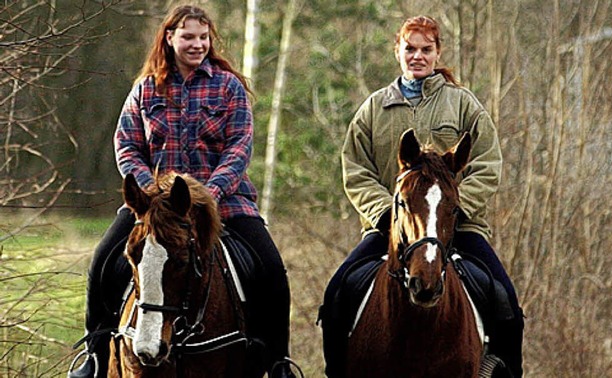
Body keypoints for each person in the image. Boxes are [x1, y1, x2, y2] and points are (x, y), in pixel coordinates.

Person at [68, 5, 296, 378]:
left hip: (224, 203)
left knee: (270, 268)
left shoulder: (229, 87)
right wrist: (150, 193)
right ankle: (93, 355)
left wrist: (208, 193)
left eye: (203, 37)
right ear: (169, 38)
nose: (197, 44)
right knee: (102, 261)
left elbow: (239, 147)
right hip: (153, 207)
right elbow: (126, 144)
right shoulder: (145, 89)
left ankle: (278, 361)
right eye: (188, 37)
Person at [319, 15, 524, 377]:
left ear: (437, 52)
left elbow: (488, 164)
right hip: (391, 229)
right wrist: (387, 213)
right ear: (397, 52)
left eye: (425, 50)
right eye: (409, 49)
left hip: (457, 227)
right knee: (337, 293)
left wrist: (452, 211)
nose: (417, 56)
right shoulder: (373, 109)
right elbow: (354, 168)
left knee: (505, 300)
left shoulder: (464, 105)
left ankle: (504, 369)